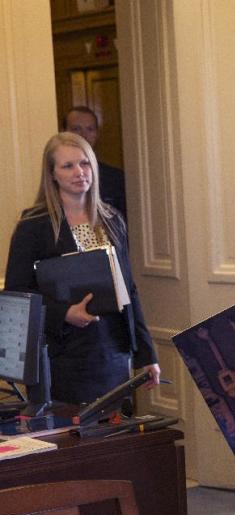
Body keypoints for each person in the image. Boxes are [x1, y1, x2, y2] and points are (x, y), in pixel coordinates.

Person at [4, 132, 160, 405]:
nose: (79, 172)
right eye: (68, 166)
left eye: (85, 163)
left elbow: (129, 288)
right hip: (62, 354)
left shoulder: (112, 219)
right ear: (52, 174)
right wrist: (64, 313)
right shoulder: (34, 225)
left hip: (113, 350)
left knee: (116, 438)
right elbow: (17, 291)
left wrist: (147, 355)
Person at [63, 106, 127, 220]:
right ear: (64, 132)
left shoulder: (116, 178)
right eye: (76, 129)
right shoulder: (55, 176)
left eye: (90, 129)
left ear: (96, 134)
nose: (83, 135)